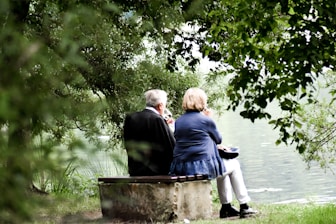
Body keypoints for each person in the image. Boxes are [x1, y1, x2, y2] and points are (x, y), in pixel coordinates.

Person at [169, 87, 225, 179]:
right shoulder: (206, 120)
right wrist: (210, 118)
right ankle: (231, 194)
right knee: (234, 166)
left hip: (180, 166)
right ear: (202, 101)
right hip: (201, 166)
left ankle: (226, 194)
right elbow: (218, 140)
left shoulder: (179, 121)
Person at [123, 89, 175, 176]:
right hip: (156, 171)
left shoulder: (131, 118)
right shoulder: (157, 119)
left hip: (135, 169)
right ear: (161, 106)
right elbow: (170, 146)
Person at [216, 146, 258, 218]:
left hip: (191, 169)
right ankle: (244, 205)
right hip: (206, 167)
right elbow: (218, 139)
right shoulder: (206, 133)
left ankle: (226, 207)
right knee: (234, 164)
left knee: (223, 168)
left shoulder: (189, 135)